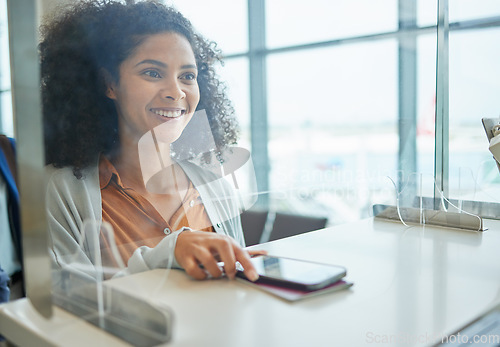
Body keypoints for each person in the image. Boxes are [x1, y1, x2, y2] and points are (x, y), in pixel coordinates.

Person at [40, 0, 261, 282]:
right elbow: (66, 303)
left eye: (187, 76)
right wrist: (166, 254)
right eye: (152, 73)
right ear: (110, 84)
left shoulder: (214, 185)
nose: (176, 92)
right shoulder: (60, 190)